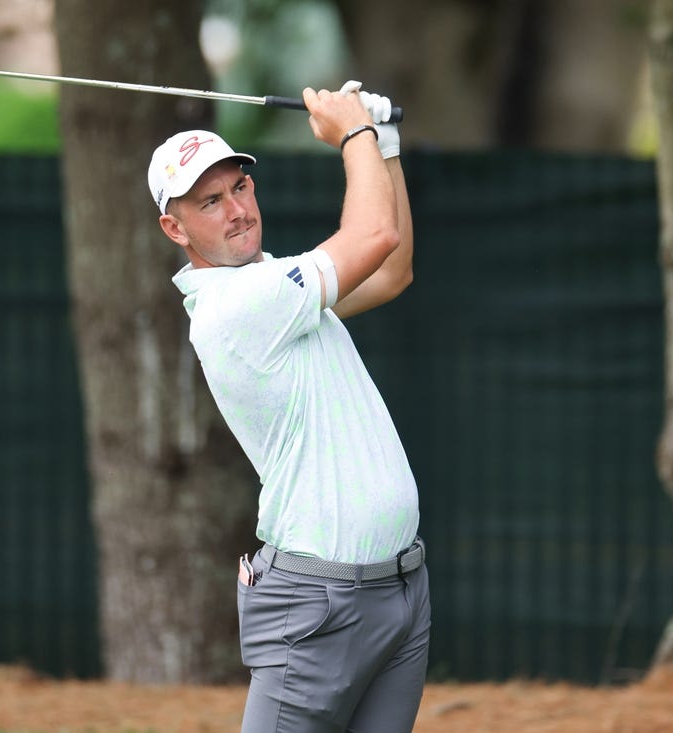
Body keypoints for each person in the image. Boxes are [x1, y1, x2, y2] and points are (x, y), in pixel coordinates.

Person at [148, 81, 429, 733]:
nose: (237, 210)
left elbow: (391, 270)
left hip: (398, 589)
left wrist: (381, 143)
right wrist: (354, 133)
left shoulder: (272, 282)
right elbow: (374, 232)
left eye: (239, 188)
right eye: (208, 202)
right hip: (321, 602)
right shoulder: (239, 306)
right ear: (174, 226)